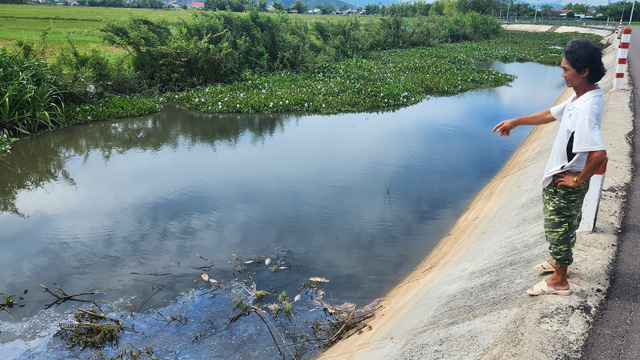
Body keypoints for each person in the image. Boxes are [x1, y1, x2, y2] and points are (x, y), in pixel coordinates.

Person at [492, 39, 608, 296]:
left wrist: (577, 181)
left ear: (584, 71)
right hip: (564, 177)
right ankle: (558, 262)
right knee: (565, 225)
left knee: (559, 228)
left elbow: (599, 154)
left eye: (566, 69)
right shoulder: (582, 95)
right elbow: (550, 114)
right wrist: (516, 121)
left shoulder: (587, 107)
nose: (563, 74)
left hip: (565, 181)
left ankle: (559, 281)